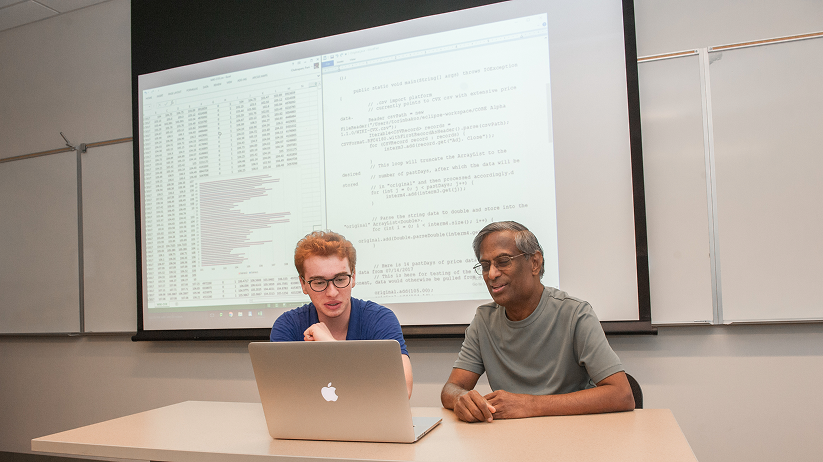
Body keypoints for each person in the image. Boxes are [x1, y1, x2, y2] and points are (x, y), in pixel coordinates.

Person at [441, 221, 634, 422]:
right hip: (509, 436)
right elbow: (451, 389)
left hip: (573, 431)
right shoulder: (484, 320)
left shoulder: (575, 314)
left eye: (503, 261)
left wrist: (530, 404)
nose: (491, 274)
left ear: (535, 263)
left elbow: (622, 394)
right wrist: (460, 398)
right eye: (485, 266)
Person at [270, 230, 413, 397]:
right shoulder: (288, 326)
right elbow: (279, 395)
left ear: (353, 277)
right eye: (319, 282)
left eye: (340, 279)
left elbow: (403, 391)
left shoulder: (380, 319)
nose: (332, 292)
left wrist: (331, 346)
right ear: (303, 284)